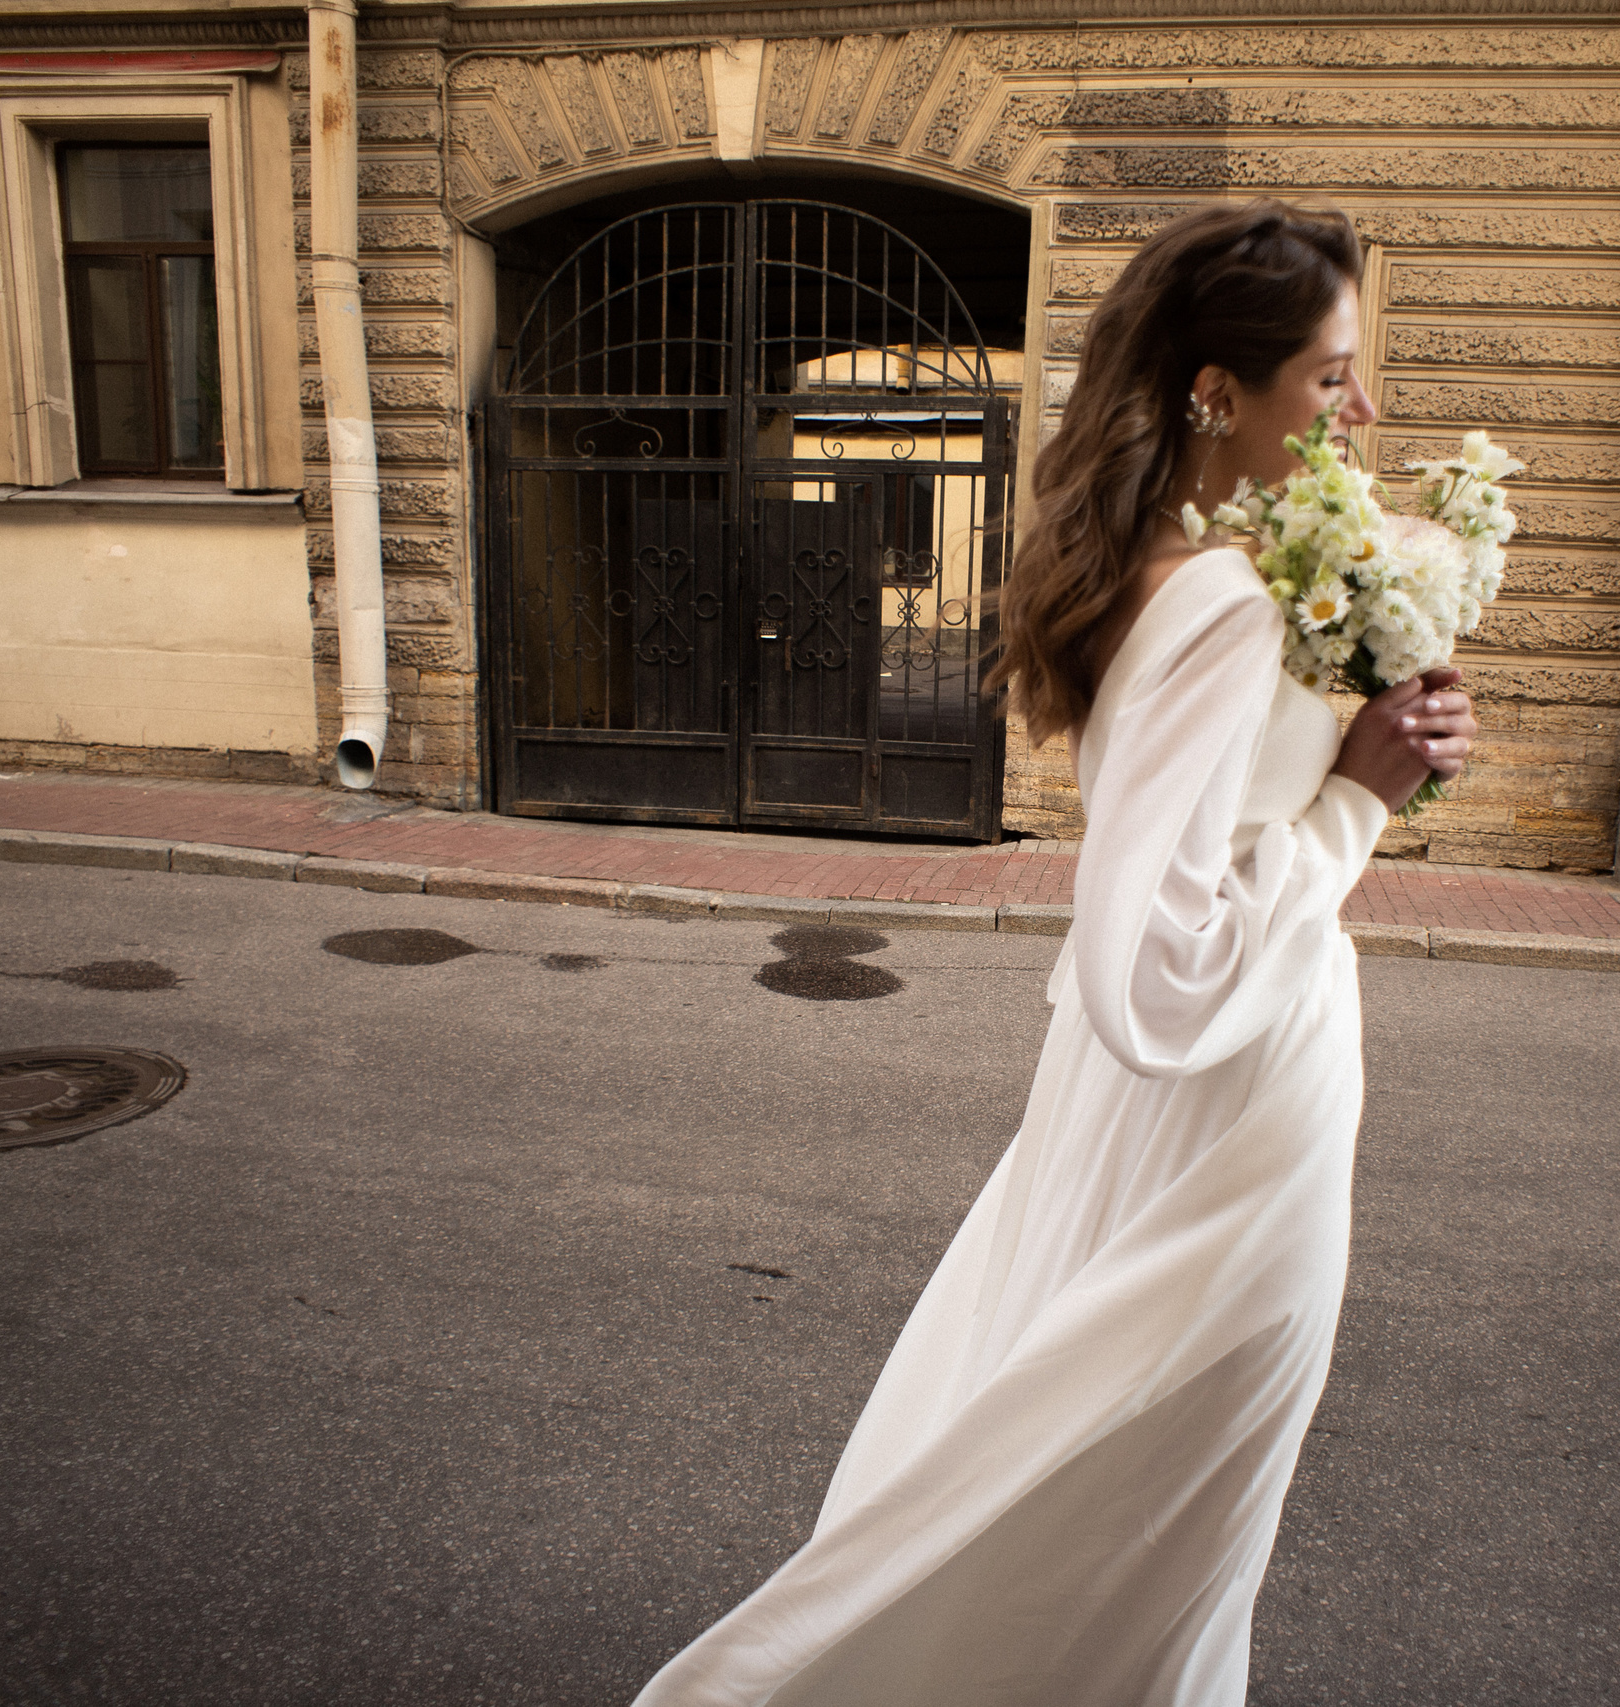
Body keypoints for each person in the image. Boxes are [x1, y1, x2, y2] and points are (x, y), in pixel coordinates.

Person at [632, 197, 1477, 1707]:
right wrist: (1361, 796)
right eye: (1332, 374)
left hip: (1159, 1103)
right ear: (1219, 392)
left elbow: (1219, 819)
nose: (1362, 409)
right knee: (1162, 1535)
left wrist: (1377, 730)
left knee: (1116, 1502)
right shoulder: (1219, 603)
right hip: (1230, 1116)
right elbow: (1151, 968)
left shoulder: (1176, 562)